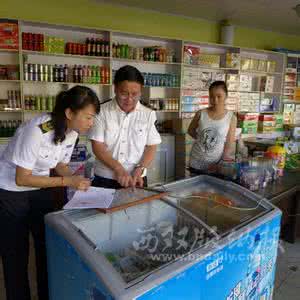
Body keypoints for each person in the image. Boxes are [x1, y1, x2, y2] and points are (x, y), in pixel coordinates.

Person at [0, 85, 100, 300]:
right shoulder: (37, 130)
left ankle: (48, 294)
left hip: (41, 187)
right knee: (15, 253)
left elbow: (61, 164)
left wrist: (76, 181)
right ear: (69, 113)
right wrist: (66, 180)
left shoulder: (72, 132)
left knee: (46, 246)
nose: (91, 123)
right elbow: (22, 178)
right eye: (89, 117)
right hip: (11, 191)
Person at [89, 65, 161, 189]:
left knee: (138, 208)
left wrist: (140, 168)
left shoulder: (148, 114)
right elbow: (98, 147)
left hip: (137, 177)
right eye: (124, 93)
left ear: (141, 91)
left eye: (135, 94)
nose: (129, 99)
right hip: (105, 178)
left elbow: (151, 146)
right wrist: (118, 169)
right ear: (115, 89)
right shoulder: (101, 112)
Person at [188, 80, 237, 174]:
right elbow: (190, 130)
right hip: (196, 161)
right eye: (211, 97)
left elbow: (229, 143)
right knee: (195, 188)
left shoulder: (231, 117)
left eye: (219, 96)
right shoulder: (201, 113)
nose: (215, 100)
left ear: (226, 96)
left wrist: (221, 163)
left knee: (212, 188)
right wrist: (203, 138)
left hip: (215, 163)